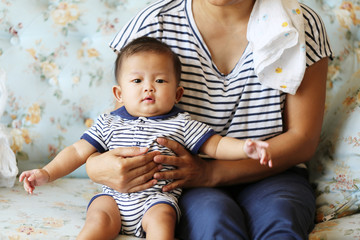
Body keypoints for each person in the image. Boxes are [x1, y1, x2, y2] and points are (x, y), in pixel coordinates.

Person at [86, 0, 333, 239]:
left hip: (273, 172)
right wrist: (94, 166)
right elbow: (125, 128)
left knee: (281, 220)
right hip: (185, 182)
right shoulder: (153, 24)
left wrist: (210, 172)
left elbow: (302, 140)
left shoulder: (299, 24)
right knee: (214, 222)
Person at [19, 36, 272, 240]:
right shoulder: (109, 122)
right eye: (137, 80)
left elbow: (216, 145)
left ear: (177, 94)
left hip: (157, 198)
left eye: (160, 80)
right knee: (98, 220)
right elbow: (77, 152)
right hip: (113, 197)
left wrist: (245, 148)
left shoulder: (181, 123)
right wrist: (46, 173)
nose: (148, 87)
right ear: (119, 93)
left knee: (163, 221)